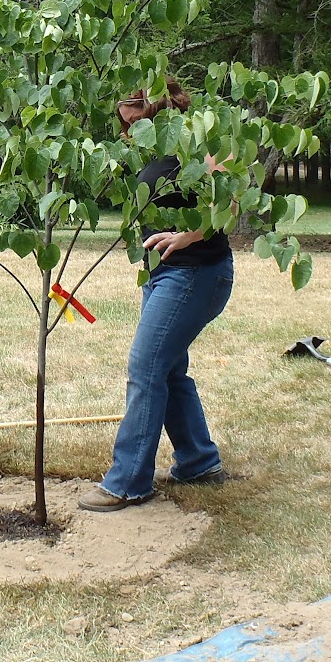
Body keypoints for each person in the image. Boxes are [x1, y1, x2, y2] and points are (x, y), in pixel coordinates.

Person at [80, 82, 235, 512]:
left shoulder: (197, 137)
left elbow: (231, 205)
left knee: (146, 368)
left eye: (132, 108)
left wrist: (186, 236)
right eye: (121, 113)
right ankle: (199, 462)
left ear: (157, 99)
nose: (125, 119)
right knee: (167, 370)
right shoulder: (147, 145)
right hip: (163, 274)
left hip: (196, 273)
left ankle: (128, 481)